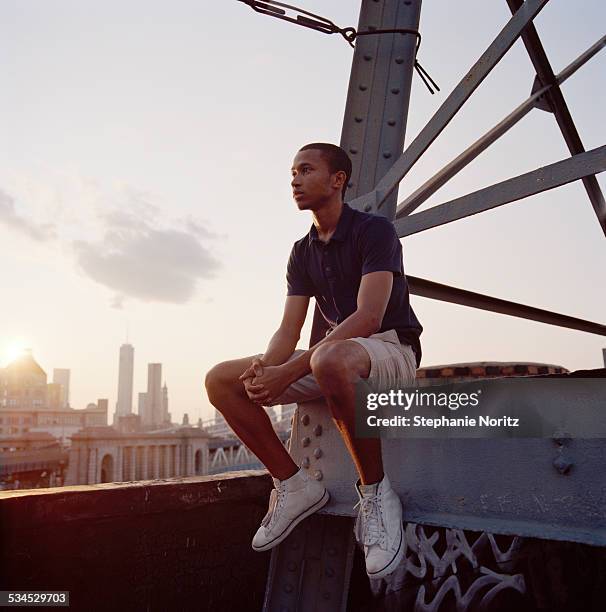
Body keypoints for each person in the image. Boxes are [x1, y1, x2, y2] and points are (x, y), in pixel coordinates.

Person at [205, 143, 422, 580]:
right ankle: (294, 484)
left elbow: (369, 316)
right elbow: (288, 332)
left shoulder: (374, 231)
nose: (295, 180)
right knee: (220, 380)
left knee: (328, 358)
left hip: (390, 348)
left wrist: (289, 371)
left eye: (306, 170)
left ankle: (377, 494)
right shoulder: (301, 251)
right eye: (292, 173)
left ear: (337, 179)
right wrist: (266, 366)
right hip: (332, 359)